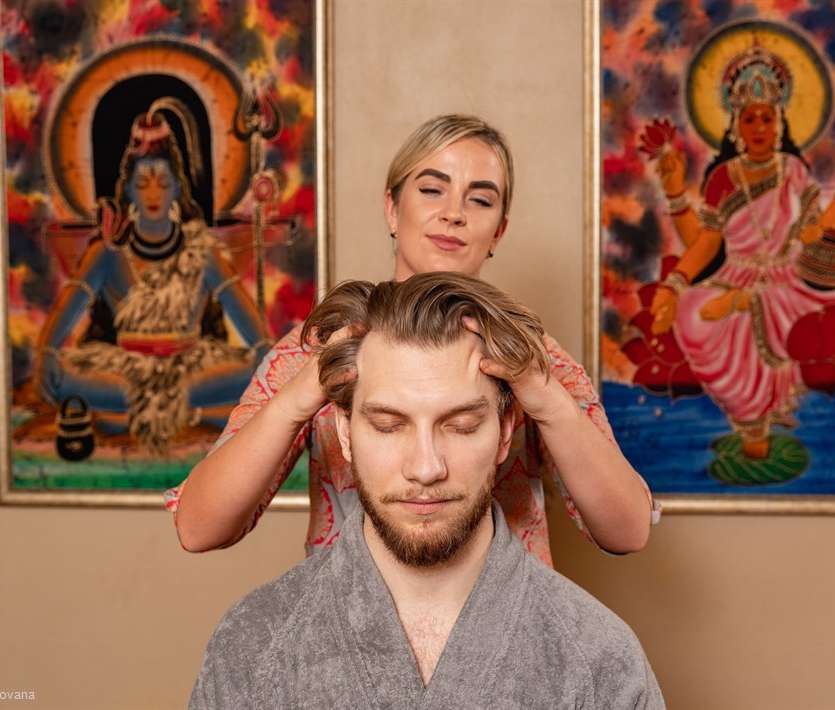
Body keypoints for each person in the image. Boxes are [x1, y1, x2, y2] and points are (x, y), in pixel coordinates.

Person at [170, 114, 658, 564]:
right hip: (347, 621)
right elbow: (198, 529)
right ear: (392, 207)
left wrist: (547, 401)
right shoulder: (317, 349)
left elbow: (627, 532)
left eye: (480, 199)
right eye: (432, 190)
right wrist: (297, 399)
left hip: (505, 624)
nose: (454, 213)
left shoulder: (535, 359)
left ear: (498, 231)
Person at [189, 273, 665, 709]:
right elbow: (199, 525)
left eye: (461, 426)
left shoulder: (602, 661)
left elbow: (626, 528)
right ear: (346, 432)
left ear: (505, 433)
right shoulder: (250, 647)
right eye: (388, 425)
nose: (425, 468)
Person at [649, 44, 835, 460]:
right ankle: (752, 428)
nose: (758, 127)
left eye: (766, 118)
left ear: (779, 121)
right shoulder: (722, 177)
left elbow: (814, 233)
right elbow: (707, 242)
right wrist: (674, 284)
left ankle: (759, 420)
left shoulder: (794, 172)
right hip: (734, 275)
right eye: (749, 118)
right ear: (736, 124)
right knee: (693, 316)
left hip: (786, 277)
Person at [33, 103, 270, 456]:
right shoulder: (108, 252)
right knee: (63, 375)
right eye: (143, 184)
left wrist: (265, 351)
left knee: (255, 371)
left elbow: (241, 310)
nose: (154, 194)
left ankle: (129, 417)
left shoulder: (201, 249)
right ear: (128, 190)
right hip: (124, 370)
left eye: (163, 183)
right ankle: (192, 414)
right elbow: (69, 305)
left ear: (177, 188)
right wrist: (47, 352)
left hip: (191, 369)